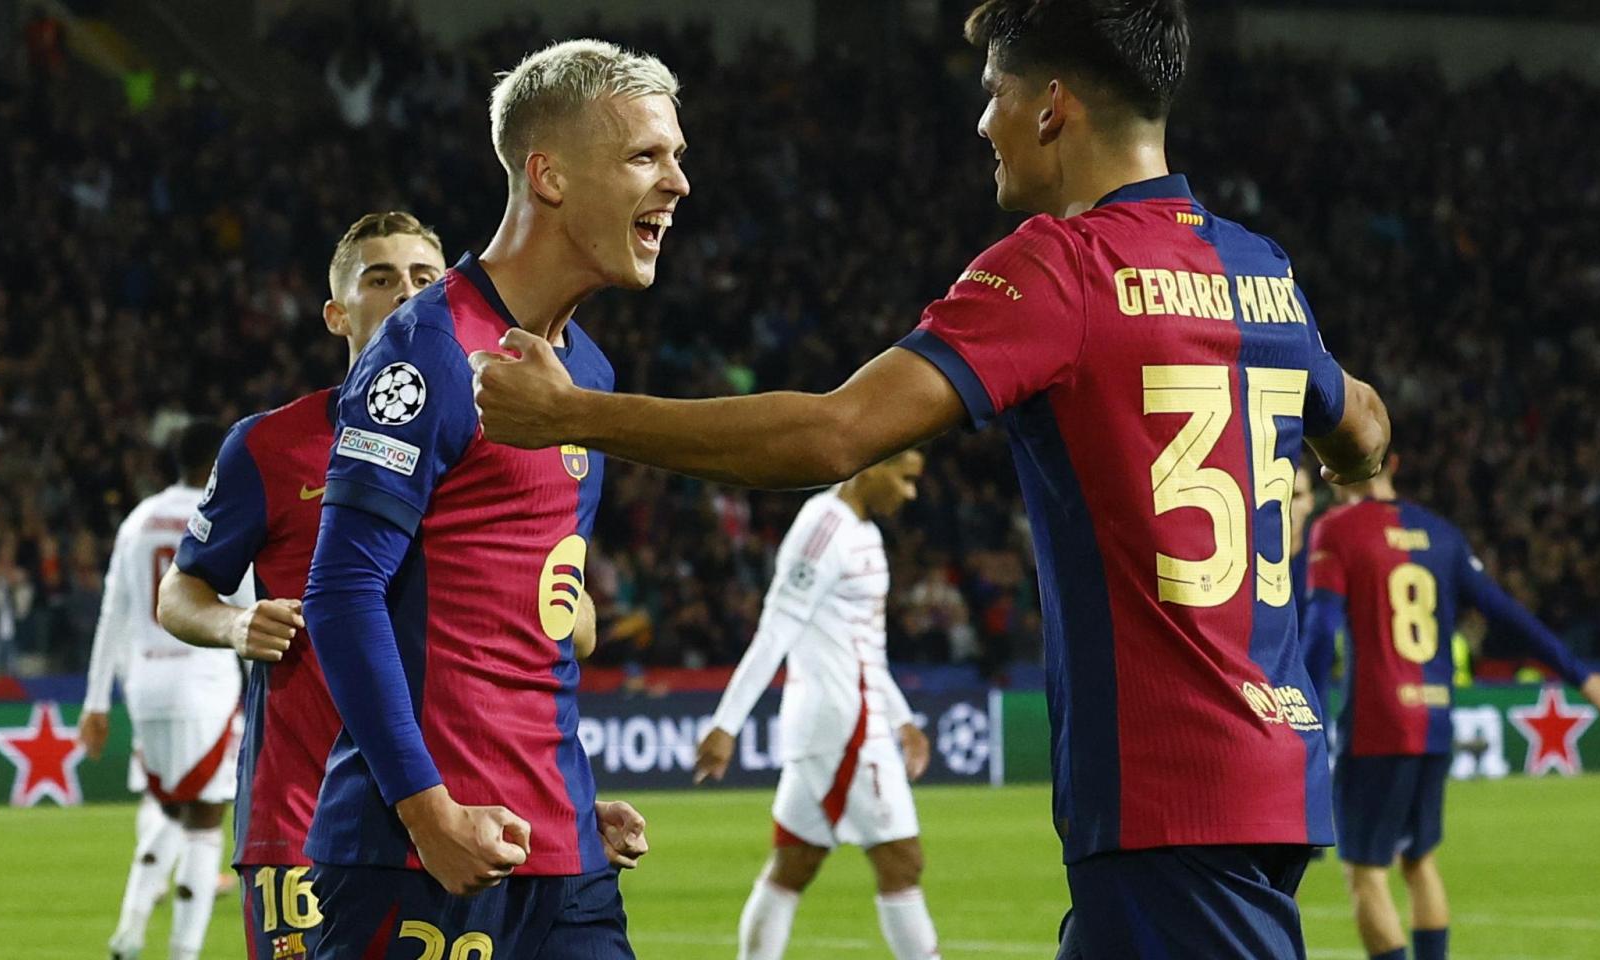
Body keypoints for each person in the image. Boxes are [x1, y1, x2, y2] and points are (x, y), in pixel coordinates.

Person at [469, 2, 1392, 957]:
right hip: (1276, 769)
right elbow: (1363, 424)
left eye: (995, 94)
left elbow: (833, 435)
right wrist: (1333, 455)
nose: (982, 121)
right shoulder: (1261, 269)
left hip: (1168, 789)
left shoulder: (1061, 268)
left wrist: (573, 413)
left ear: (1051, 108)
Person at [299, 39, 683, 958]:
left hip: (563, 856)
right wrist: (427, 812)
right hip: (416, 858)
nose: (676, 182)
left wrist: (574, 800)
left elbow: (524, 626)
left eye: (675, 156)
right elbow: (342, 594)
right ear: (547, 176)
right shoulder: (425, 351)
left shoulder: (584, 371)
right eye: (645, 156)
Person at [156, 211, 447, 960]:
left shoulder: (494, 440)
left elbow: (569, 618)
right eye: (379, 279)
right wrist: (233, 625)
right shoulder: (271, 445)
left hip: (459, 803)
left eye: (423, 279)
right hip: (303, 813)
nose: (405, 294)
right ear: (336, 312)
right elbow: (179, 593)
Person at [1303, 453, 1600, 960]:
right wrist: (1582, 677)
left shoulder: (1336, 530)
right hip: (1435, 720)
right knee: (1419, 861)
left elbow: (1322, 632)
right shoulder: (1442, 535)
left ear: (1330, 470)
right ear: (1393, 462)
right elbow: (1509, 614)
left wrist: (1307, 721)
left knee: (1366, 873)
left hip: (1377, 723)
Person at [695, 451, 940, 960]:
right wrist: (726, 723)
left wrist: (903, 720)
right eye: (905, 478)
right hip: (844, 726)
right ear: (871, 466)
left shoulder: (864, 532)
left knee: (793, 865)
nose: (910, 494)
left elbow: (864, 649)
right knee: (902, 860)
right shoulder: (824, 528)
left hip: (847, 721)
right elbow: (776, 629)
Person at [79, 420, 252, 960]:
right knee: (205, 818)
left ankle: (129, 933)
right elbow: (245, 602)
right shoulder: (219, 512)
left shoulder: (138, 520)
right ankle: (183, 951)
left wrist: (95, 702)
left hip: (146, 684)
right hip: (204, 680)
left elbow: (115, 614)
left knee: (168, 806)